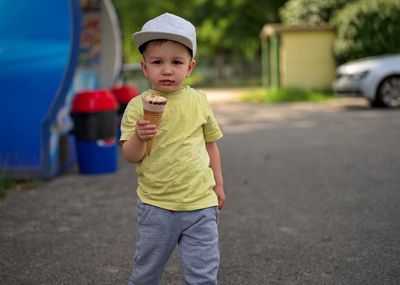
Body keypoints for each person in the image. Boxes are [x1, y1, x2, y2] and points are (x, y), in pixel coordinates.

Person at [120, 13, 226, 285]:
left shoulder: (199, 101)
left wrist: (219, 186)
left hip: (200, 204)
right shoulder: (137, 106)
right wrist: (139, 138)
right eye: (157, 62)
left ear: (190, 67)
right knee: (146, 274)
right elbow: (131, 156)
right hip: (157, 206)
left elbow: (210, 146)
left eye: (176, 62)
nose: (167, 70)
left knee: (203, 276)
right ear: (144, 68)